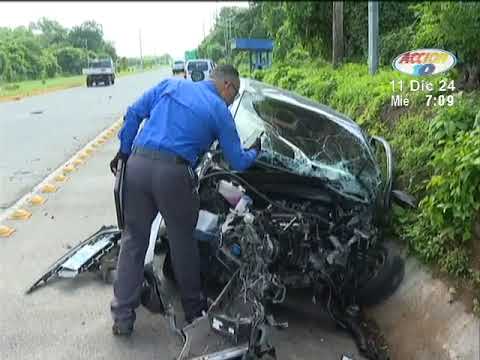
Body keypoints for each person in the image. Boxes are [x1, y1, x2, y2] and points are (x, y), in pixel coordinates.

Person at [109, 64, 261, 336]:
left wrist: (123, 151)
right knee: (183, 243)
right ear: (226, 85)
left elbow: (133, 113)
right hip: (174, 175)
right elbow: (237, 160)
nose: (232, 100)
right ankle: (195, 311)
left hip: (137, 166)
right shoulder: (219, 111)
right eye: (234, 94)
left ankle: (122, 317)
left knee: (133, 240)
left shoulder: (170, 85)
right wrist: (255, 152)